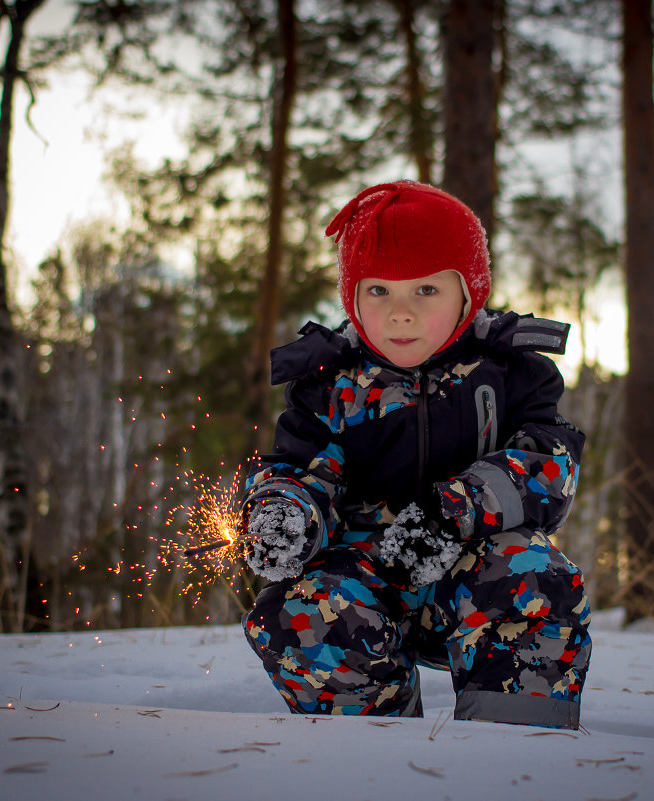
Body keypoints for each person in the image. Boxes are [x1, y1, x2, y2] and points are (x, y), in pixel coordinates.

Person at [239, 180, 591, 729]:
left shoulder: (513, 373)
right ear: (351, 297)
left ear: (468, 292)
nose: (399, 313)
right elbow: (304, 471)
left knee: (533, 575)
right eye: (378, 291)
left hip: (472, 570)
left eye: (425, 291)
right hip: (363, 578)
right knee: (303, 610)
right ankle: (375, 754)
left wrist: (455, 512)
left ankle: (518, 757)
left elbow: (550, 466)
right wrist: (285, 511)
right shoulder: (329, 385)